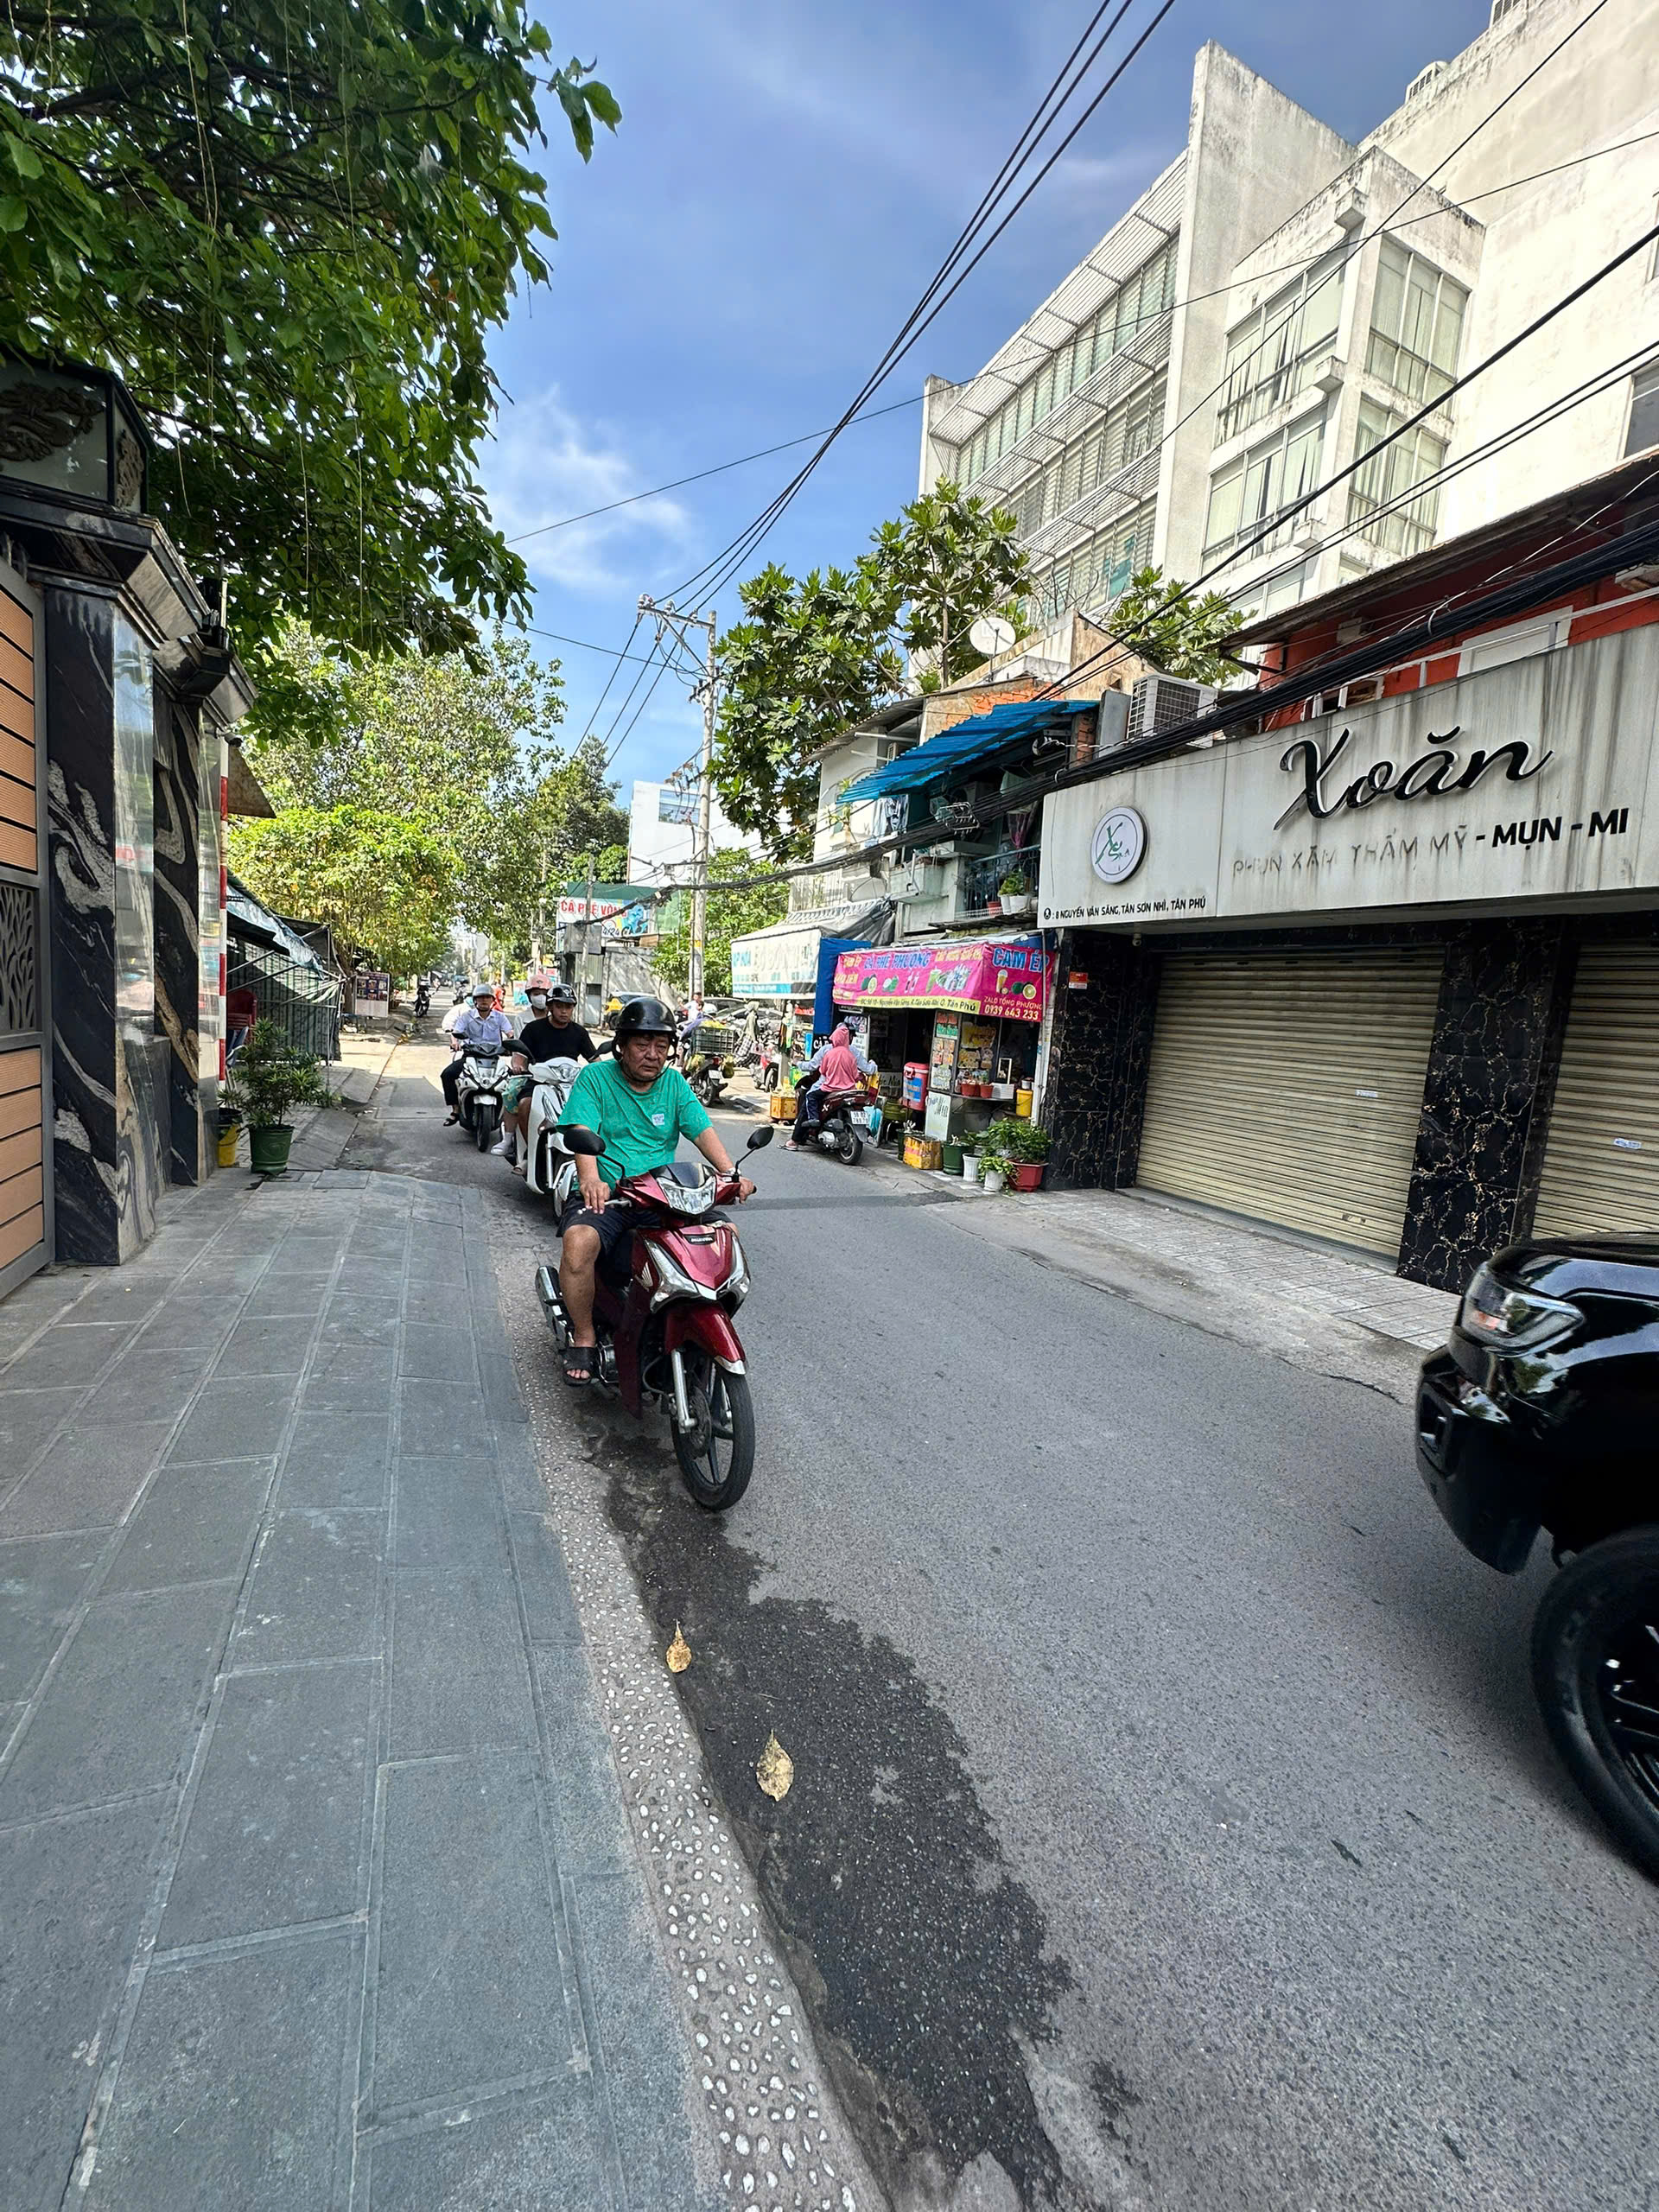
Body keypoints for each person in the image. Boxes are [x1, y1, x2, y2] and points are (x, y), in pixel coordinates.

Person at [556, 997, 753, 1387]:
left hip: (664, 1194)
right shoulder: (595, 1079)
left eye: (661, 1045)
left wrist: (731, 1173)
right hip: (610, 1195)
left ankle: (691, 1321)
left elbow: (701, 1131)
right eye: (642, 1044)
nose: (652, 1054)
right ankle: (585, 1334)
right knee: (578, 1244)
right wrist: (591, 1178)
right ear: (621, 1045)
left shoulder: (674, 1084)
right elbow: (582, 1131)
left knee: (726, 1237)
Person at [495, 982, 598, 1169]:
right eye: (559, 1006)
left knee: (595, 1107)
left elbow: (594, 1060)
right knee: (524, 1104)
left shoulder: (579, 1032)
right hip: (539, 1081)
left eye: (568, 1007)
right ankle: (529, 1153)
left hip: (571, 1083)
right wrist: (518, 1066)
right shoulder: (534, 1029)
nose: (564, 1011)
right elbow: (519, 1055)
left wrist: (603, 1072)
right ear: (550, 1007)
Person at [789, 1023, 874, 1149]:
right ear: (848, 1038)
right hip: (849, 1090)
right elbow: (857, 1074)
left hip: (828, 1087)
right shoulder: (852, 1054)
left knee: (809, 1097)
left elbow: (821, 1070)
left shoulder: (828, 1051)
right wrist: (865, 1072)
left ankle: (796, 1139)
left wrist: (799, 1063)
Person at [442, 982, 515, 1122]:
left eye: (487, 997)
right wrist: (455, 1042)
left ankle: (509, 1114)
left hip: (494, 1058)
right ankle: (456, 1110)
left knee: (515, 1080)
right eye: (481, 997)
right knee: (447, 1074)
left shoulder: (500, 1017)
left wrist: (513, 1042)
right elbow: (456, 1032)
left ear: (493, 1000)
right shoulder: (466, 1016)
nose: (484, 1000)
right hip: (471, 1056)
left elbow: (510, 1032)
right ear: (475, 1000)